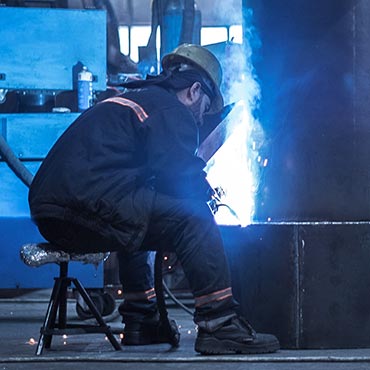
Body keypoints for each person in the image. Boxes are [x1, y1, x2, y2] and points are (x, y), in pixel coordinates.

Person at [28, 43, 280, 355]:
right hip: (82, 204)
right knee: (194, 218)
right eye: (205, 108)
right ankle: (221, 324)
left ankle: (142, 321)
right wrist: (205, 196)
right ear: (194, 90)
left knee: (140, 213)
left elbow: (156, 177)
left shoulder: (135, 99)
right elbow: (178, 175)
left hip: (54, 212)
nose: (202, 119)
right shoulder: (171, 110)